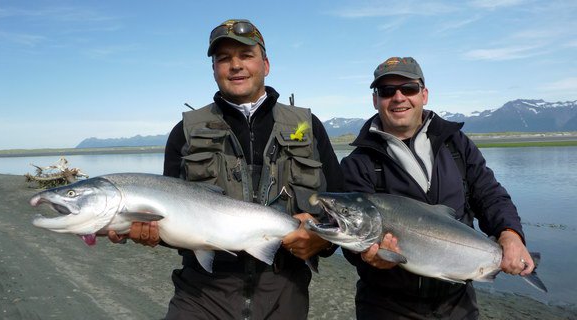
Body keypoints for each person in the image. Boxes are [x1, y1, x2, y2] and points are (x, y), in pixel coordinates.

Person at [109, 19, 344, 319]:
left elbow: (342, 208)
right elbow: (170, 220)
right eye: (224, 59)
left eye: (246, 55)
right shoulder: (185, 133)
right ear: (214, 70)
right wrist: (146, 231)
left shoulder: (307, 127)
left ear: (266, 64)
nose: (235, 65)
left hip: (285, 292)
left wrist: (321, 240)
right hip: (202, 294)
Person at [340, 56, 535, 319]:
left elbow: (489, 194)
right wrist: (366, 256)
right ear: (376, 100)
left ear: (424, 94)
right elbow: (352, 234)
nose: (399, 97)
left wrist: (510, 233)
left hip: (458, 303)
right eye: (387, 91)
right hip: (385, 306)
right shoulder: (358, 163)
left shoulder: (456, 145)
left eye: (408, 88)